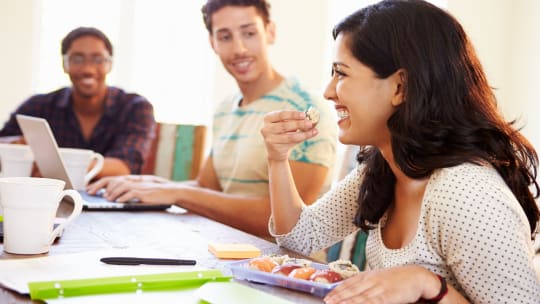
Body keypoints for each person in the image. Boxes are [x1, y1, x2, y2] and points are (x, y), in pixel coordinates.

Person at [260, 0, 540, 303]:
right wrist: (278, 158)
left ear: (400, 87)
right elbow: (302, 237)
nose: (328, 91)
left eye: (341, 74)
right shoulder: (384, 167)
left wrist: (429, 285)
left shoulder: (464, 193)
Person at [87, 0, 337, 237]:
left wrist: (175, 192)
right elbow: (208, 190)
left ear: (270, 32)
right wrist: (145, 184)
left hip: (286, 268)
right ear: (212, 42)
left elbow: (286, 222)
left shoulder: (306, 109)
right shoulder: (225, 108)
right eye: (225, 36)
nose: (238, 49)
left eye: (249, 33)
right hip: (225, 252)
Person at [0, 27, 156, 176]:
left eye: (98, 59)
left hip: (109, 199)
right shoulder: (37, 106)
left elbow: (124, 166)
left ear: (110, 64)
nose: (88, 69)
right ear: (64, 64)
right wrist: (14, 145)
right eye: (77, 59)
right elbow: (3, 141)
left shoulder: (135, 108)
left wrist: (53, 166)